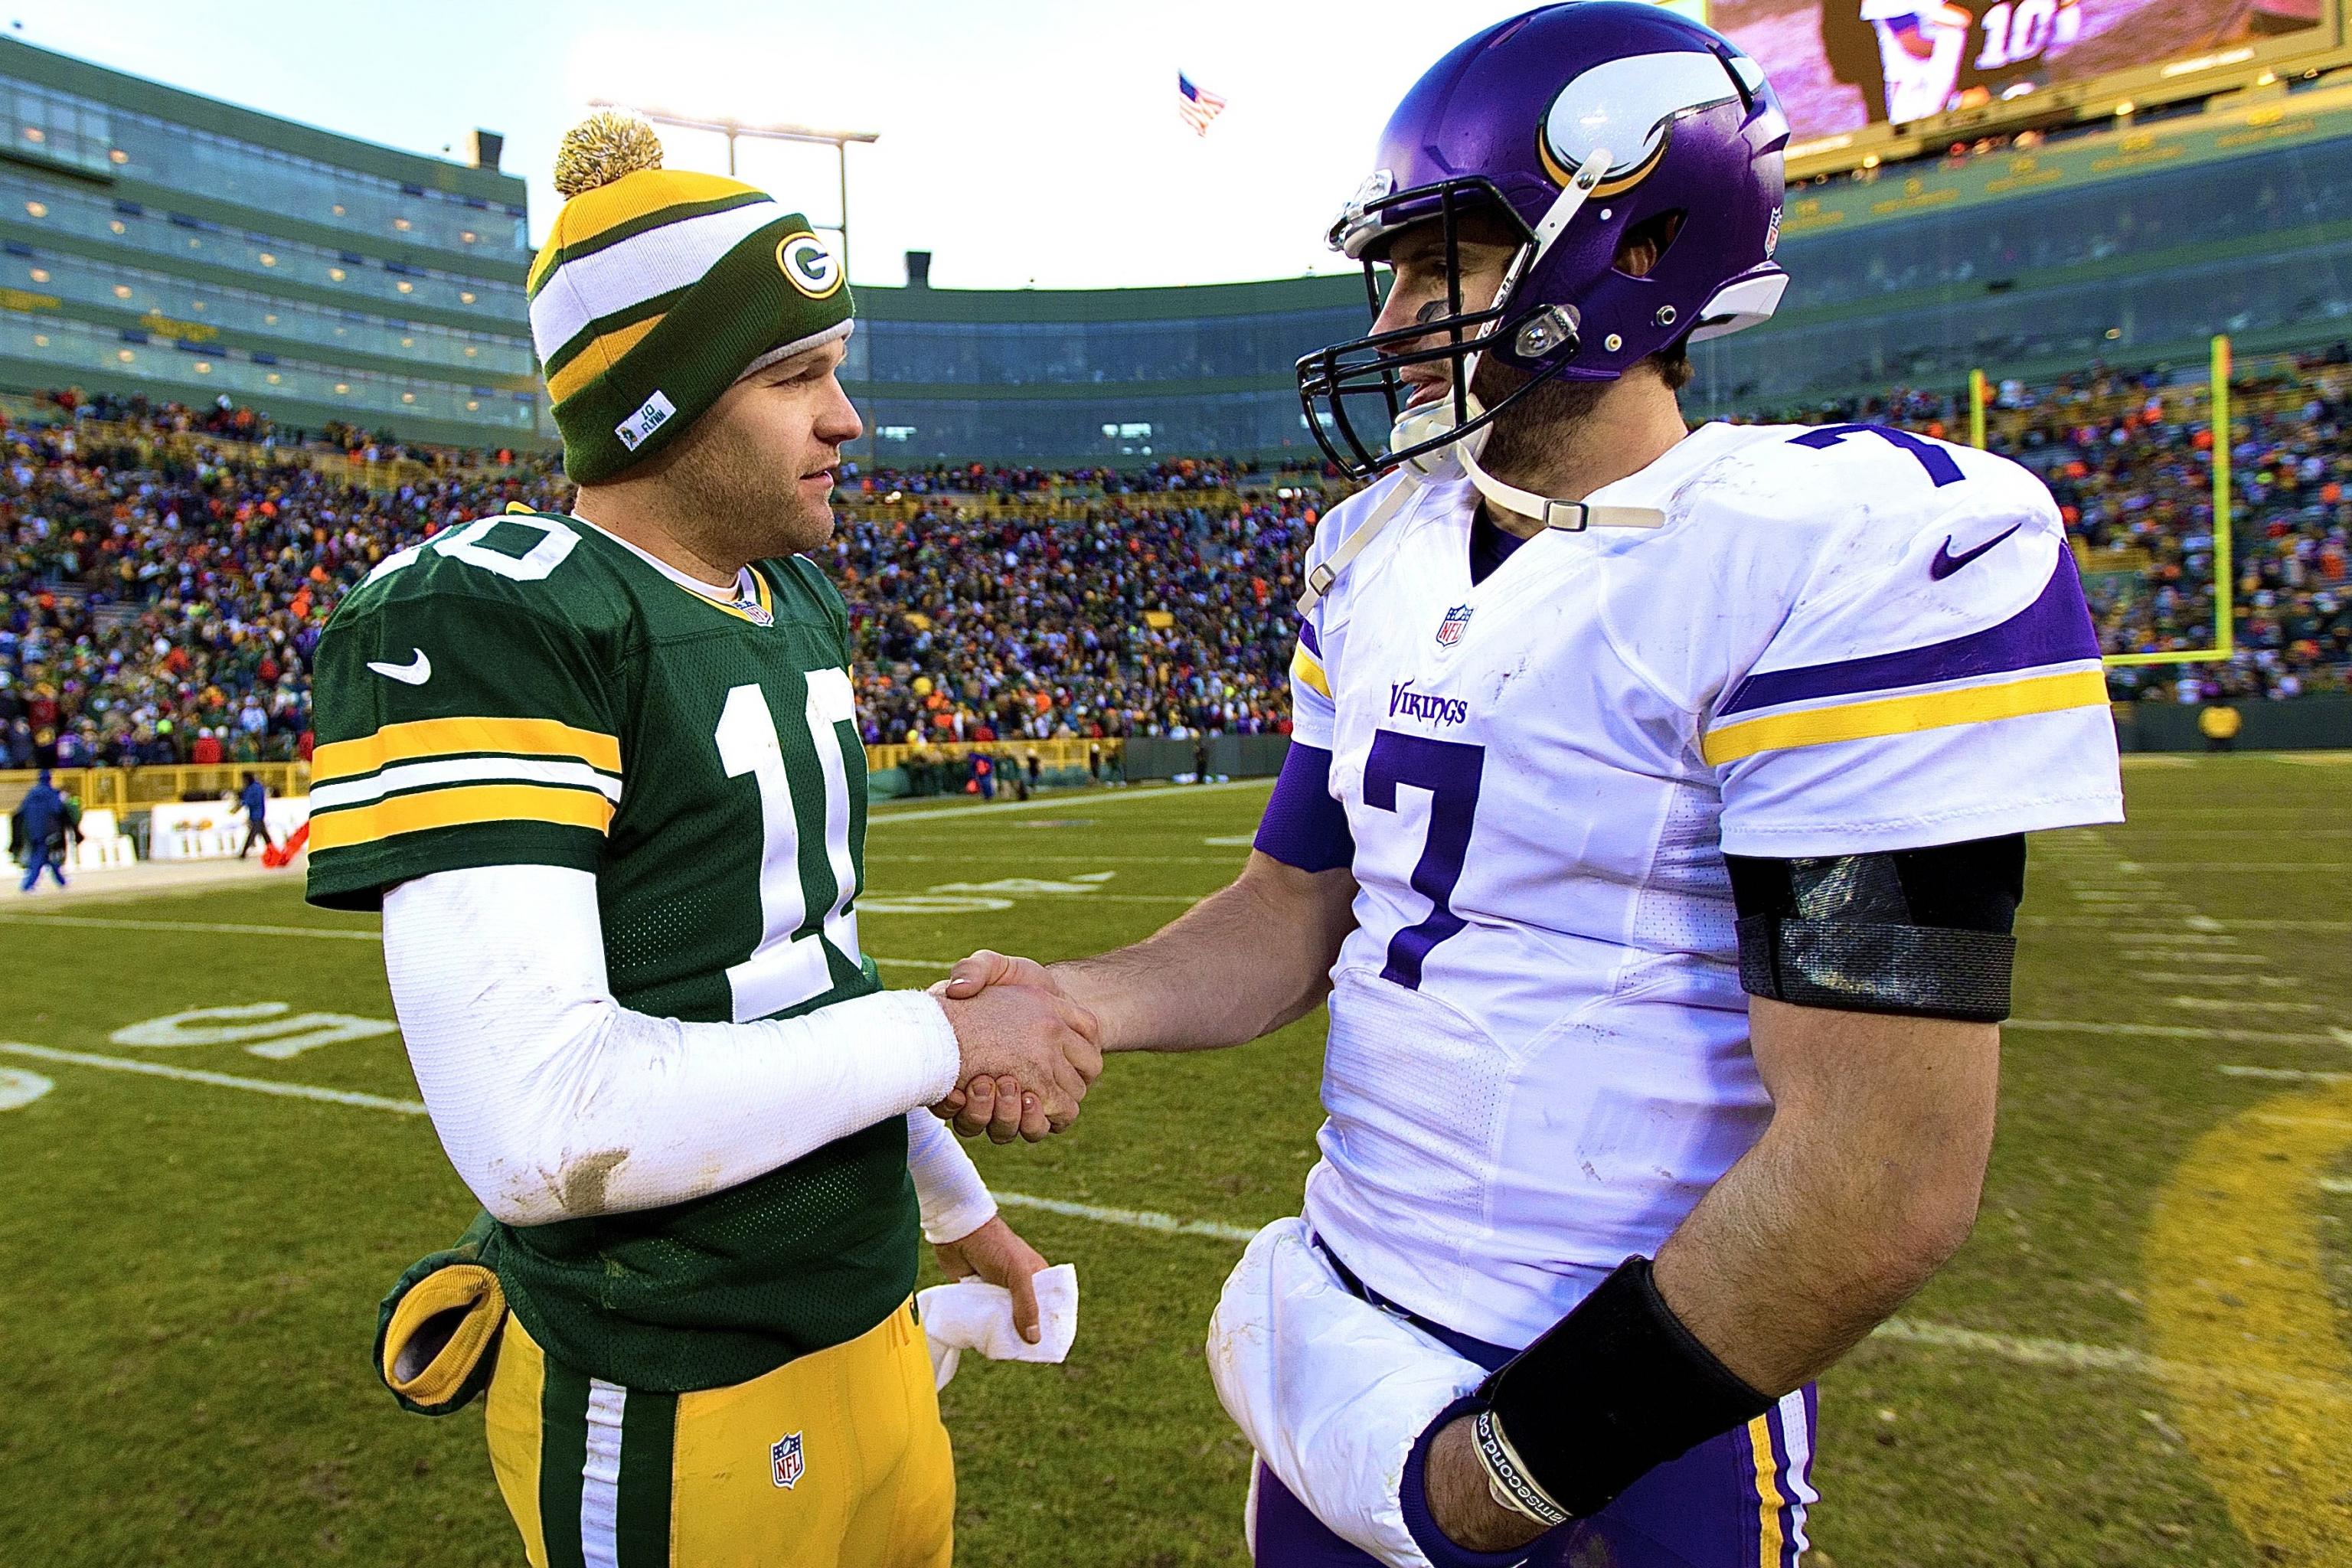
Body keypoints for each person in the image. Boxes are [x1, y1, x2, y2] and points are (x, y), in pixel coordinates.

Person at [935, 9, 2123, 1567]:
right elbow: (1293, 906)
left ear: (1627, 250)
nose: (1394, 321)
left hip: (1621, 1396)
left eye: (1444, 267)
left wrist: (1508, 1470)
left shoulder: (1841, 545)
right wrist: (1075, 995)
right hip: (1345, 1335)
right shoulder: (1370, 553)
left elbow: (1882, 1168)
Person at [302, 114, 1099, 1568]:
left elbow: (800, 971)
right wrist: (950, 1036)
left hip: (858, 1320)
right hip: (671, 1374)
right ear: (658, 403)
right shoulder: (497, 612)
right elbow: (540, 1126)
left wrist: (958, 1209)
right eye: (795, 375)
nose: (844, 418)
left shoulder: (790, 604)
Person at [11, 767, 67, 892]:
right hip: (48, 830)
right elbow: (57, 810)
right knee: (40, 857)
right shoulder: (52, 793)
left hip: (32, 831)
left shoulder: (31, 793)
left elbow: (21, 812)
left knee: (46, 857)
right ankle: (28, 885)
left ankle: (61, 881)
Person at [236, 771, 273, 859]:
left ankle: (243, 853)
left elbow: (252, 800)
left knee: (252, 835)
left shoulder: (254, 788)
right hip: (258, 814)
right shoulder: (256, 787)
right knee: (265, 835)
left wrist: (243, 802)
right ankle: (273, 851)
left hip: (257, 814)